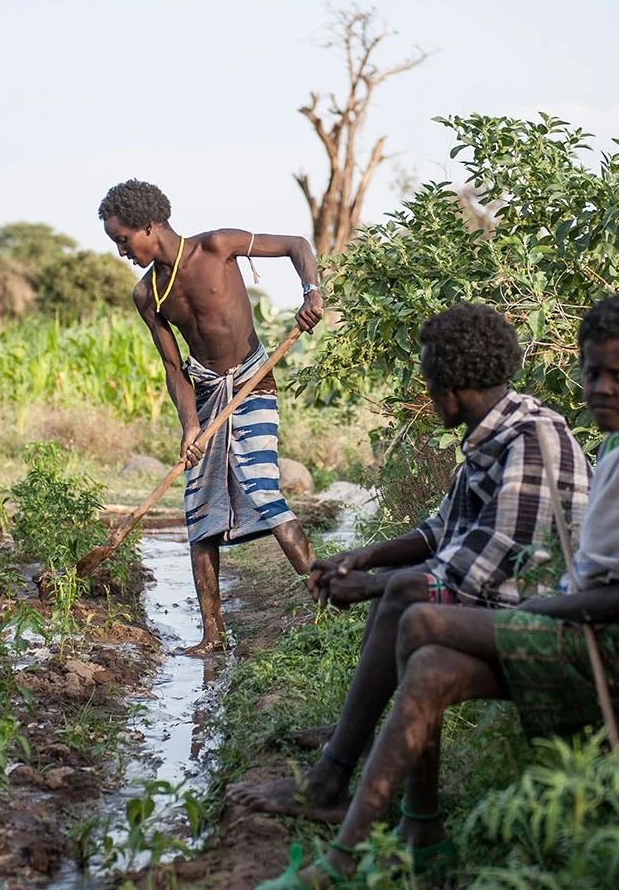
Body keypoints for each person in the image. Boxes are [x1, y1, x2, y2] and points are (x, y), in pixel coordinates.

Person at [254, 294, 619, 889]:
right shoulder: (596, 439)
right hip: (567, 610)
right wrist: (364, 557)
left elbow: (615, 590)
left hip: (607, 639)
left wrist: (537, 607)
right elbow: (445, 530)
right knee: (427, 660)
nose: (600, 388)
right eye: (592, 374)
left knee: (415, 612)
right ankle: (417, 831)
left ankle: (339, 806)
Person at [228, 301, 591, 821]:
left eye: (426, 382)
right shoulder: (497, 432)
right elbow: (441, 531)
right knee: (397, 591)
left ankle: (332, 776)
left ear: (449, 388)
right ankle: (352, 733)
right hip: (518, 595)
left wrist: (372, 584)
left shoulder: (533, 441)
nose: (426, 392)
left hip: (551, 611)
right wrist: (364, 557)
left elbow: (480, 570)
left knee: (401, 593)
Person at [98, 179, 325, 655]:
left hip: (253, 382)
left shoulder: (217, 247)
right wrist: (190, 426)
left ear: (148, 225)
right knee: (197, 512)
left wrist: (311, 292)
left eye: (123, 239)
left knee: (264, 489)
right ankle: (213, 635)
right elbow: (173, 367)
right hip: (204, 394)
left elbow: (297, 246)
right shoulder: (148, 296)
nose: (121, 251)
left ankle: (325, 599)